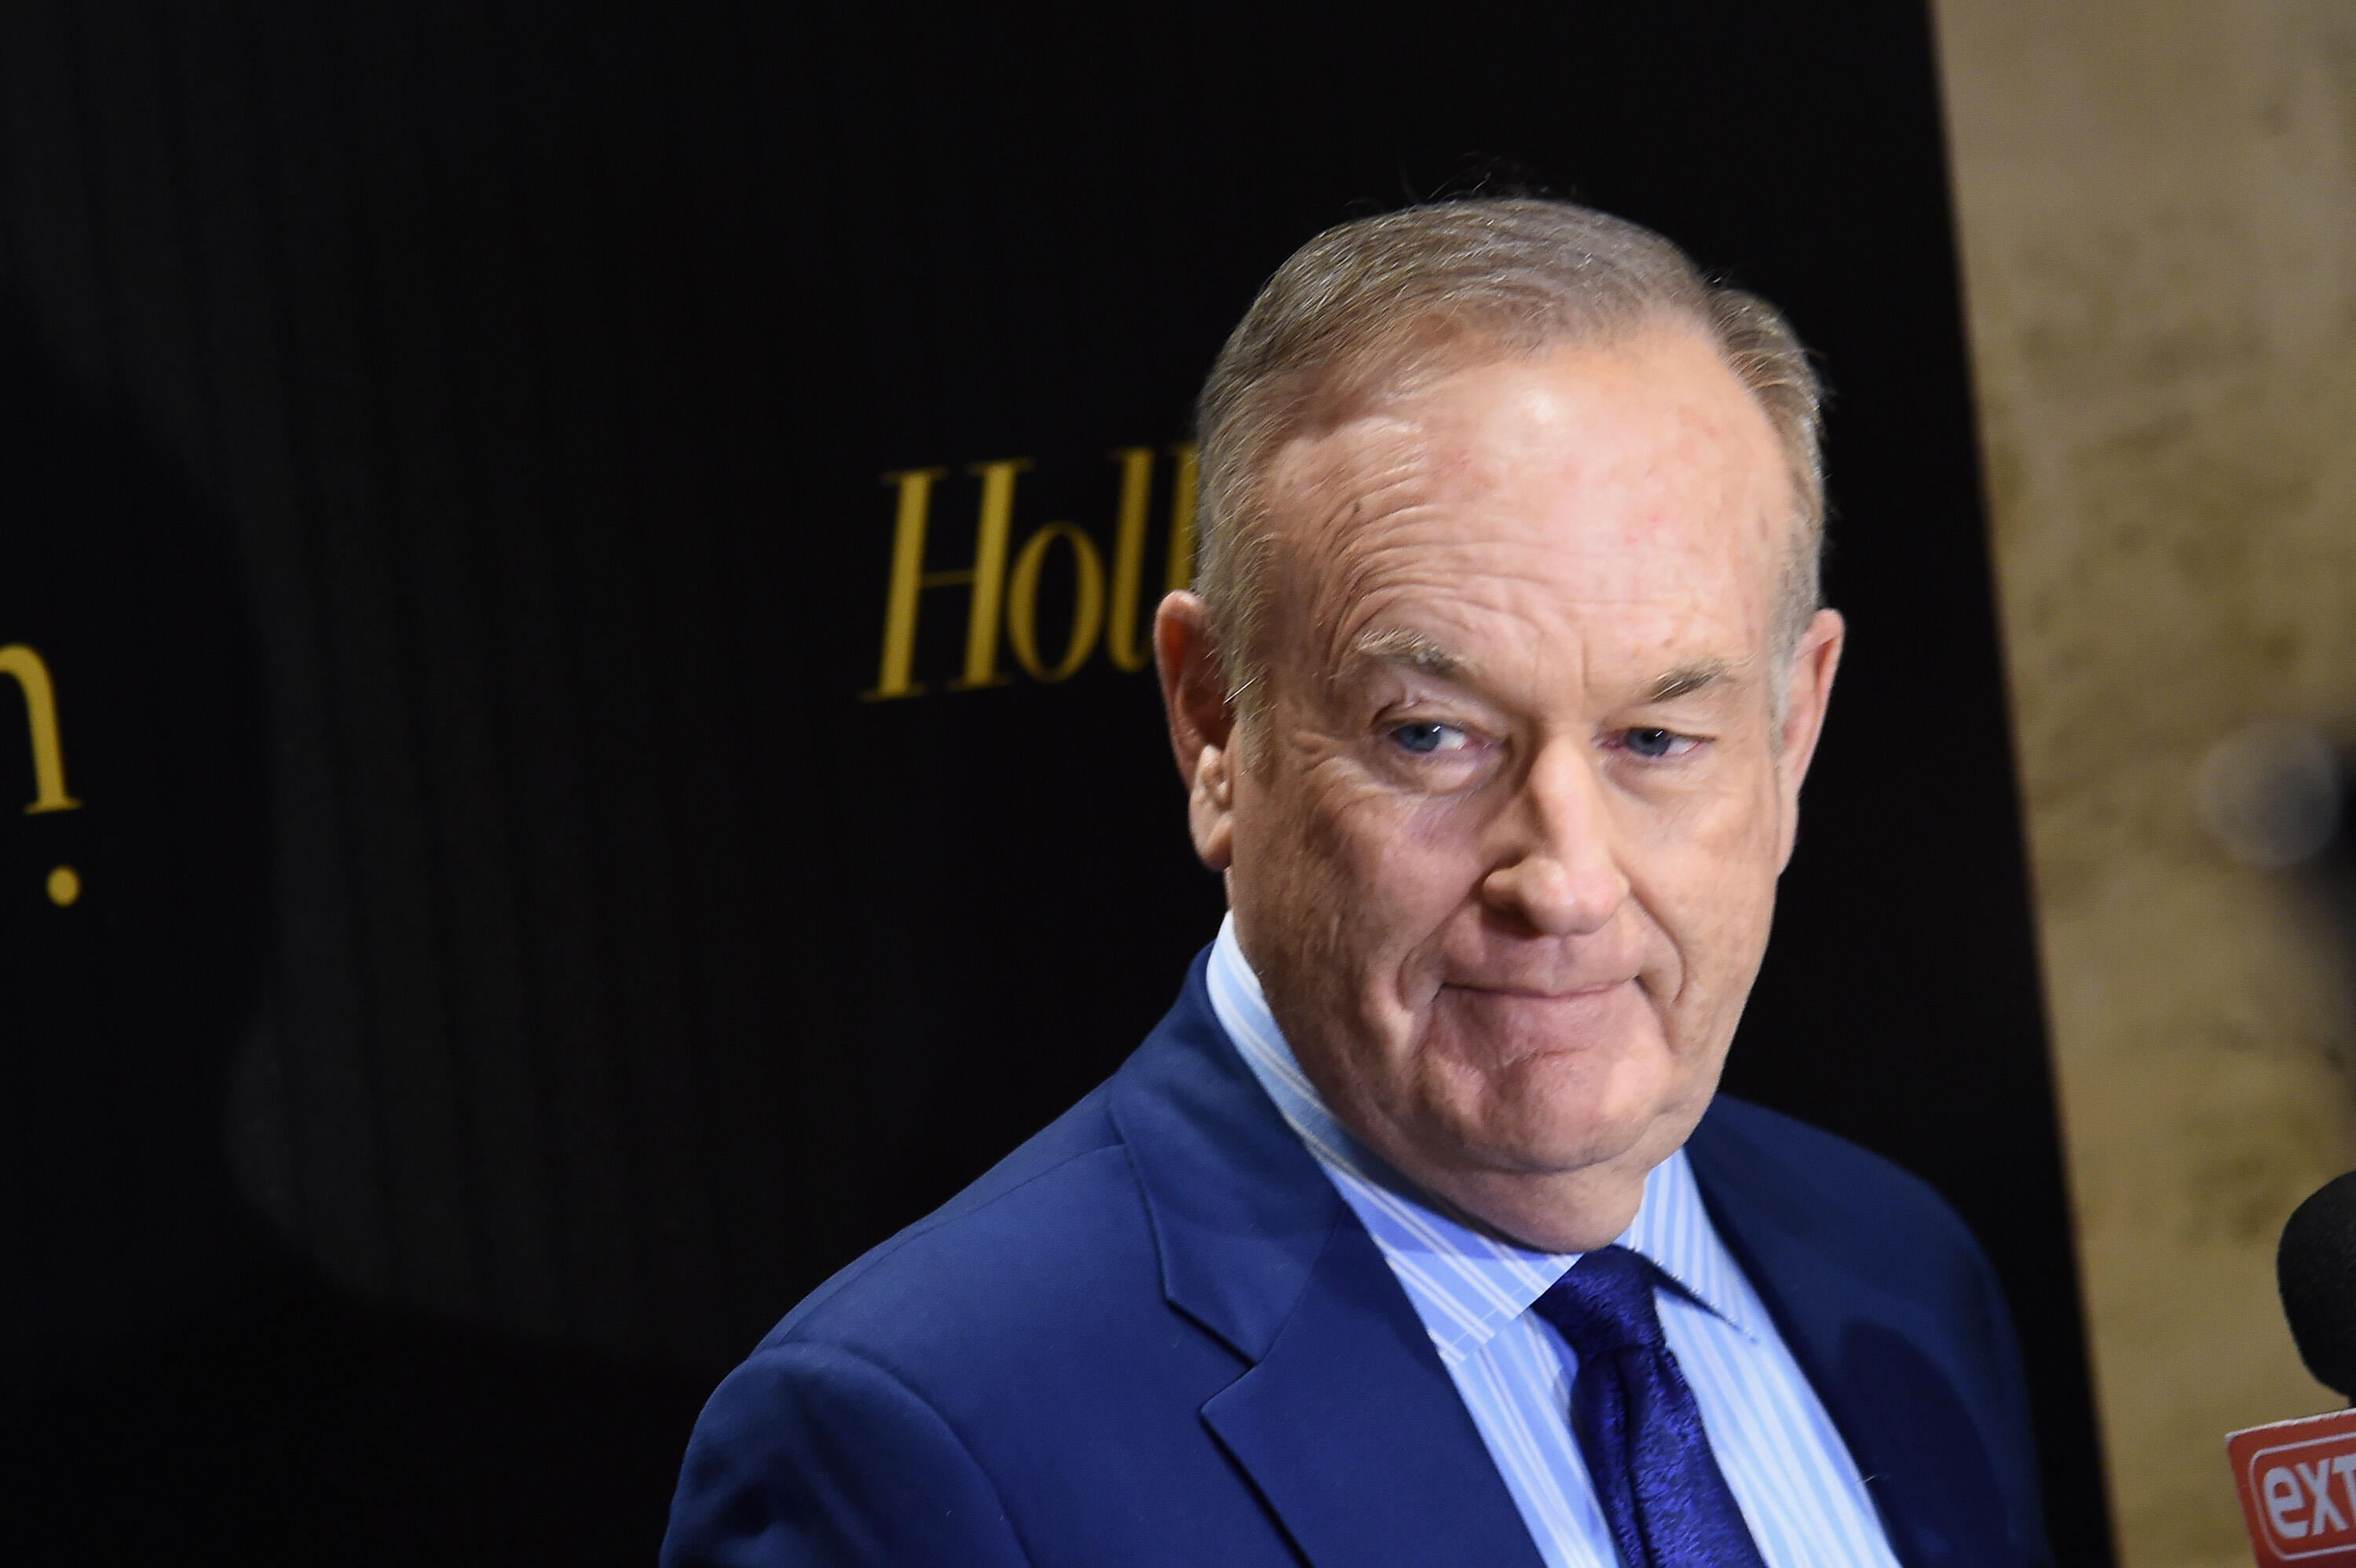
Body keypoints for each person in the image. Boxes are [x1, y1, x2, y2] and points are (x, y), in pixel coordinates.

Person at [662, 199, 2052, 1568]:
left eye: (1656, 739)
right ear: (1215, 724)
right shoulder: (915, 1452)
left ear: (1795, 727)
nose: (1564, 882)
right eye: (1432, 736)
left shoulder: (1903, 1275)